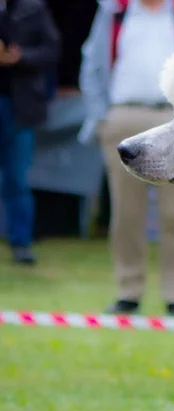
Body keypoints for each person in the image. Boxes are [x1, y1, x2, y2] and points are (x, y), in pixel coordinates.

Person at [78, 0, 174, 317]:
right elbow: (93, 65)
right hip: (124, 118)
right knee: (127, 214)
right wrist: (102, 119)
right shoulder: (114, 11)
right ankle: (128, 292)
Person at [0, 0, 59, 266]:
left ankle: (21, 242)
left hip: (19, 105)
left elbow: (52, 49)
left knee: (17, 177)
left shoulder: (32, 8)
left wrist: (19, 57)